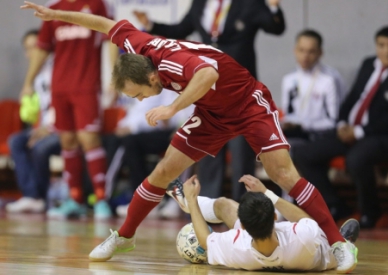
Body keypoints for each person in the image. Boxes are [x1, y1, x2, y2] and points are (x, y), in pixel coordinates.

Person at [21, 2, 357, 273]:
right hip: (212, 114)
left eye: (140, 94)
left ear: (154, 76)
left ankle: (339, 243)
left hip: (247, 104)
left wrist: (171, 109)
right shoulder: (137, 48)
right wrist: (54, 15)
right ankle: (124, 237)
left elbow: (208, 73)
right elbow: (105, 26)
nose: (140, 100)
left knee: (283, 173)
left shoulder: (174, 64)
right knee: (163, 172)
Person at [134, 0, 286, 201]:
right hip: (209, 91)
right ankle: (207, 210)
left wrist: (274, 7)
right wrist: (152, 25)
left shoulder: (249, 3)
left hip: (239, 92)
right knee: (207, 153)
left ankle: (245, 213)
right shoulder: (200, 3)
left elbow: (275, 27)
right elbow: (182, 28)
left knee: (241, 155)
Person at [20, 0, 116, 219]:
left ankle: (101, 200)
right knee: (67, 142)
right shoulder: (53, 6)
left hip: (86, 86)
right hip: (60, 87)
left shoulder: (97, 4)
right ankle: (75, 200)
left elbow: (111, 36)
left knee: (89, 139)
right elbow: (42, 49)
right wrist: (28, 82)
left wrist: (114, 75)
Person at [292, 26, 388, 229]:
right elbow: (353, 97)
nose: (386, 51)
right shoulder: (368, 64)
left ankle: (370, 212)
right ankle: (336, 205)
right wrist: (341, 123)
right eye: (381, 45)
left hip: (383, 136)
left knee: (357, 158)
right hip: (352, 132)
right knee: (303, 154)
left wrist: (359, 132)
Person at [173, 174, 359, 271]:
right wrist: (268, 193)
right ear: (275, 217)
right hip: (315, 251)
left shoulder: (236, 247)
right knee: (330, 240)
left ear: (243, 228)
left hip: (261, 252)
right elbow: (307, 220)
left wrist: (192, 200)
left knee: (223, 205)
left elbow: (205, 241)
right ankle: (344, 240)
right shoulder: (304, 238)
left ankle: (190, 202)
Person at [102, 90, 193, 218]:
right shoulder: (166, 84)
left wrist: (181, 126)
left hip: (186, 129)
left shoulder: (194, 81)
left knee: (183, 141)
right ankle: (142, 200)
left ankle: (177, 200)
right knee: (130, 142)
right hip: (165, 128)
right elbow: (153, 113)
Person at [6, 29, 60, 213]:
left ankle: (40, 196)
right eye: (28, 49)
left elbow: (62, 105)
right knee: (16, 141)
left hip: (62, 128)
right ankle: (30, 195)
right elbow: (40, 110)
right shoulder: (35, 75)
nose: (33, 53)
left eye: (36, 47)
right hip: (45, 127)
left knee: (40, 147)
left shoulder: (57, 68)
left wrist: (48, 129)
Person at [281, 29, 345, 151]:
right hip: (296, 132)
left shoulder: (330, 79)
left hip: (321, 135)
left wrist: (303, 125)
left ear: (320, 53)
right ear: (295, 50)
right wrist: (286, 123)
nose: (305, 56)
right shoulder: (289, 79)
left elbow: (334, 120)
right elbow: (288, 114)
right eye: (301, 50)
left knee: (293, 149)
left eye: (311, 52)